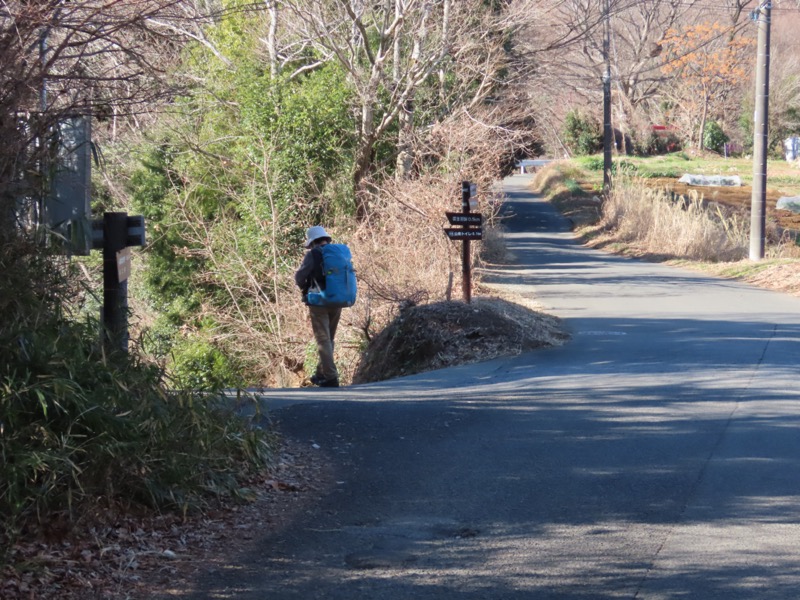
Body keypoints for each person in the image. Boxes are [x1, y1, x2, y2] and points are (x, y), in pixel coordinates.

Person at [294, 226, 342, 388]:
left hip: (319, 301)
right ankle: (322, 373)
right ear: (326, 238)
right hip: (338, 300)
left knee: (323, 340)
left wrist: (304, 286)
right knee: (329, 339)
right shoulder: (338, 251)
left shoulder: (313, 254)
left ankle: (330, 376)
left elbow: (300, 276)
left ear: (312, 241)